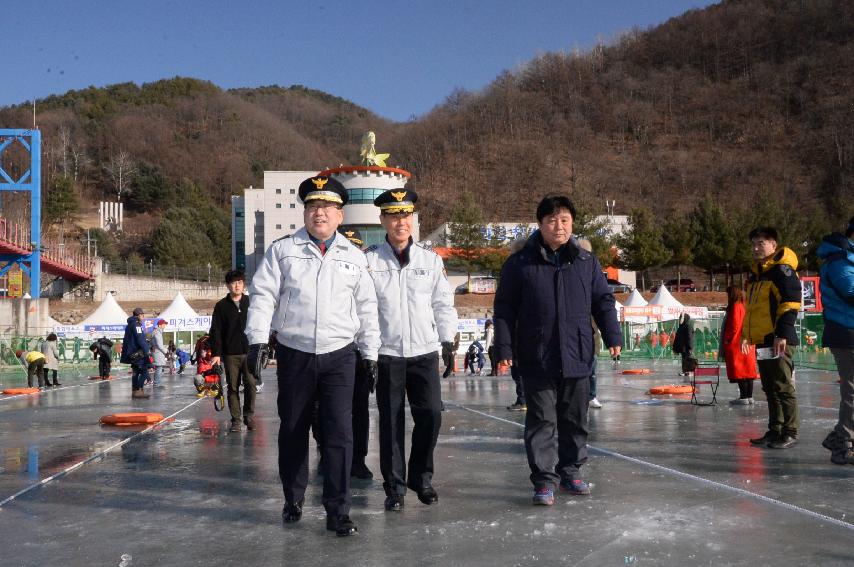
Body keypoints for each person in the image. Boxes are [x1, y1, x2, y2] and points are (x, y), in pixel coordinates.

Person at [245, 175, 380, 537]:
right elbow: (262, 296)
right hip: (295, 353)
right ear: (305, 213)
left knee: (340, 434)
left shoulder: (354, 256)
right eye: (312, 206)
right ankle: (293, 498)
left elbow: (367, 308)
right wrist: (257, 340)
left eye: (327, 207)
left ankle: (339, 510)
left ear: (340, 215)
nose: (319, 213)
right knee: (293, 429)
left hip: (340, 356)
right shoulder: (283, 250)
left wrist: (370, 354)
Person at [494, 195, 621, 506]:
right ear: (540, 224)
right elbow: (504, 309)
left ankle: (571, 471)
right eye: (551, 220)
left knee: (575, 418)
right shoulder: (520, 263)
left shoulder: (585, 262)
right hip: (536, 354)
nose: (559, 226)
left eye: (564, 220)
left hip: (578, 352)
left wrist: (613, 334)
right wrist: (504, 347)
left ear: (572, 223)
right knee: (541, 420)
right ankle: (543, 480)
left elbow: (603, 302)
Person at [365, 188, 458, 512]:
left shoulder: (430, 261)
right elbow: (364, 309)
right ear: (383, 220)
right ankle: (395, 488)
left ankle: (421, 476)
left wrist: (448, 339)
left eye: (405, 215)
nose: (400, 221)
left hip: (423, 351)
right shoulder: (369, 260)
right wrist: (368, 352)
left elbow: (442, 303)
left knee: (431, 414)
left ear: (413, 220)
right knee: (390, 423)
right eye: (393, 215)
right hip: (387, 353)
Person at [742, 226, 801, 449]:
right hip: (763, 339)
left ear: (773, 245)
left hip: (779, 339)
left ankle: (790, 431)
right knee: (769, 387)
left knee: (783, 386)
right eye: (753, 244)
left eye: (761, 244)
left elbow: (790, 302)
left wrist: (782, 334)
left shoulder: (781, 271)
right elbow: (754, 311)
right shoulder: (757, 274)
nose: (756, 248)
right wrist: (747, 336)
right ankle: (775, 429)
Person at [818, 217, 854, 465]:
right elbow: (851, 292)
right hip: (846, 332)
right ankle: (842, 443)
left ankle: (840, 435)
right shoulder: (840, 262)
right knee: (852, 391)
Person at [209, 270, 256, 432]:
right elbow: (215, 330)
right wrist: (216, 353)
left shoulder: (251, 302)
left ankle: (249, 416)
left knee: (251, 385)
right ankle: (236, 420)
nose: (237, 286)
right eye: (234, 283)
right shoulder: (221, 306)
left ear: (244, 284)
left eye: (240, 282)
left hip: (250, 352)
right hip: (230, 354)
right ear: (228, 285)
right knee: (233, 387)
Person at [722, 286, 759, 405]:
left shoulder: (735, 306)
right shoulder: (745, 306)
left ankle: (743, 397)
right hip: (748, 343)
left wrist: (727, 340)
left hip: (737, 344)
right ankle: (749, 396)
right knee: (748, 371)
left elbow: (734, 326)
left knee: (740, 371)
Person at [121, 307, 151, 399]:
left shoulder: (129, 325)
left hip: (131, 353)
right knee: (145, 371)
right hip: (138, 353)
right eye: (142, 315)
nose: (143, 317)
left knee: (135, 372)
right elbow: (140, 339)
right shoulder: (136, 325)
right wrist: (147, 350)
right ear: (138, 315)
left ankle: (134, 390)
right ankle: (139, 389)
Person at [150, 319, 169, 388]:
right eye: (164, 324)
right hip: (158, 352)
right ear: (160, 325)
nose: (164, 326)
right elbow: (160, 345)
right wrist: (165, 351)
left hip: (156, 352)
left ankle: (157, 383)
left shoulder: (156, 332)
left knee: (159, 368)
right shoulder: (157, 333)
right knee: (159, 368)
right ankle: (156, 384)